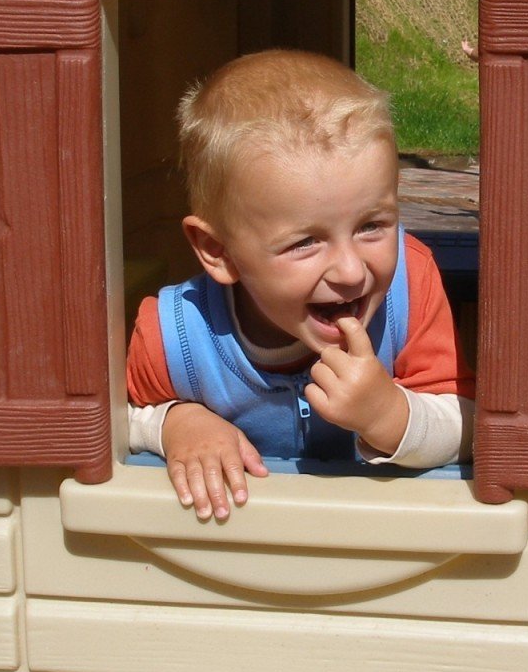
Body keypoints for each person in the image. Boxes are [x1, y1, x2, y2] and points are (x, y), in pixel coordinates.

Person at [127, 49, 475, 520]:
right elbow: (100, 422)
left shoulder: (408, 287)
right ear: (219, 251)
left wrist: (389, 416)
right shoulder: (173, 335)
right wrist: (175, 423)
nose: (352, 271)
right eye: (307, 242)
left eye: (373, 225)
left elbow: (475, 424)